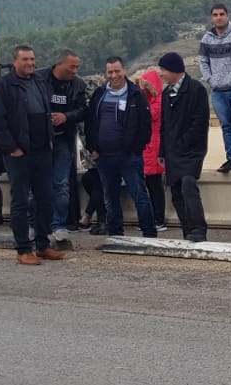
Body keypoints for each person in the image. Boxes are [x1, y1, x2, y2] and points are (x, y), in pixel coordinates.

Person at [0, 45, 64, 265]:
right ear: (15, 61)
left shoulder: (40, 82)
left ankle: (42, 244)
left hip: (42, 151)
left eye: (32, 59)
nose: (30, 63)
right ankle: (23, 249)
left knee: (46, 199)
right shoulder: (2, 86)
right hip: (18, 154)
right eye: (25, 60)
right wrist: (12, 148)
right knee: (21, 201)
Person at [84, 56, 159, 238]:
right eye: (110, 72)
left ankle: (149, 234)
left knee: (140, 195)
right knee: (110, 198)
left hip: (129, 157)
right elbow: (90, 122)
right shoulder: (99, 94)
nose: (114, 75)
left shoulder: (135, 94)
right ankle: (116, 234)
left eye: (117, 71)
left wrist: (137, 148)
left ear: (123, 70)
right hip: (104, 157)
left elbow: (145, 123)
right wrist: (92, 148)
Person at [157, 52, 211, 242]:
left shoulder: (195, 89)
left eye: (163, 70)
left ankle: (198, 228)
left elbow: (200, 122)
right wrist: (162, 151)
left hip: (190, 151)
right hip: (172, 152)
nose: (161, 74)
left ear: (174, 70)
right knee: (177, 193)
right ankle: (187, 230)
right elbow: (164, 125)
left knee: (188, 184)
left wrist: (183, 143)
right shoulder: (166, 94)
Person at [39, 50, 89, 242]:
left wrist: (66, 117)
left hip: (63, 140)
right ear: (59, 64)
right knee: (37, 184)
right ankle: (36, 224)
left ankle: (59, 224)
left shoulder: (78, 84)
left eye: (77, 67)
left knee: (61, 184)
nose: (75, 71)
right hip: (40, 140)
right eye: (72, 67)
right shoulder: (38, 79)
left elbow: (84, 110)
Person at [199, 3, 231, 173]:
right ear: (212, 18)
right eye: (215, 14)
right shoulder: (206, 39)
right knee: (226, 126)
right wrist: (210, 79)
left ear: (228, 16)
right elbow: (203, 61)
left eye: (222, 14)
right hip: (218, 90)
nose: (219, 17)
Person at [136, 69, 168, 232]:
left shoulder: (158, 101)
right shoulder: (151, 100)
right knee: (148, 185)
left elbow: (149, 115)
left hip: (154, 149)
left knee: (155, 186)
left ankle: (159, 219)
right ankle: (152, 218)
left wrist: (142, 94)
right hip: (147, 149)